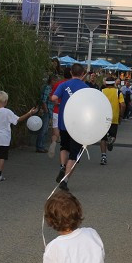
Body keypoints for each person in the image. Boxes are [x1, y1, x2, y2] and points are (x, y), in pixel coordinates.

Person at [50, 63, 88, 191]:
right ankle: (65, 180)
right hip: (78, 125)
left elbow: (53, 98)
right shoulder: (85, 88)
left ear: (71, 72)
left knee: (64, 146)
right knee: (74, 154)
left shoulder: (64, 85)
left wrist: (60, 102)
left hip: (63, 122)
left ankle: (62, 166)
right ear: (83, 74)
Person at [99, 78, 125, 166]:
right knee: (113, 136)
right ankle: (111, 141)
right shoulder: (118, 92)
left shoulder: (101, 91)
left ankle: (103, 156)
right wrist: (121, 116)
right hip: (114, 118)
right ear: (114, 84)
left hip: (103, 118)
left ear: (106, 84)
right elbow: (123, 105)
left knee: (103, 138)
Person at [48, 69, 70, 158]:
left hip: (57, 110)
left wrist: (56, 102)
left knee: (55, 133)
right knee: (67, 133)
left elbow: (51, 97)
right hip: (68, 112)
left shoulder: (58, 84)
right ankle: (66, 152)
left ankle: (53, 142)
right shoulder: (71, 85)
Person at [36, 74, 58, 154]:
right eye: (54, 80)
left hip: (49, 110)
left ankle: (41, 145)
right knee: (43, 129)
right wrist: (46, 110)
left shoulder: (49, 88)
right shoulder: (48, 88)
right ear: (51, 80)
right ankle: (40, 146)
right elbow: (43, 100)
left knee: (44, 129)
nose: (55, 82)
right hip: (47, 110)